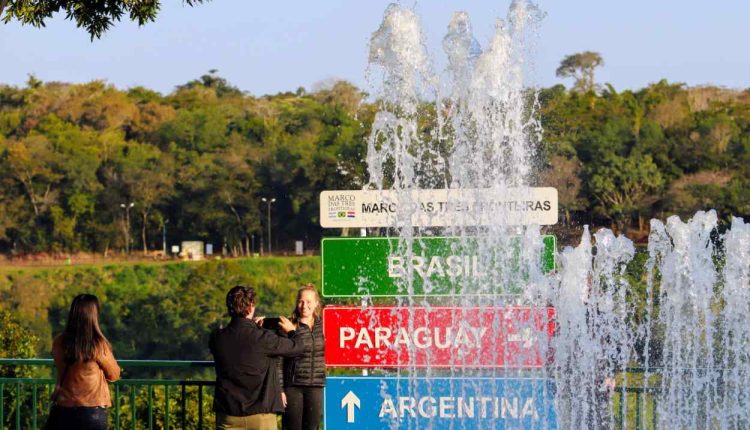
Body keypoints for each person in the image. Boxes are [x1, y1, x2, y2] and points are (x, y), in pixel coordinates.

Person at [210, 285, 304, 430]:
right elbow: (297, 347)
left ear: (230, 308)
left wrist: (254, 328)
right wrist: (292, 331)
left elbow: (240, 345)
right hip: (261, 415)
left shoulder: (217, 337)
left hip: (228, 412)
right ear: (251, 308)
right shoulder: (263, 338)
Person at [47, 294, 121, 430]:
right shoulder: (97, 345)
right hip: (92, 412)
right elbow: (114, 375)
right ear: (93, 315)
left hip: (64, 410)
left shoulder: (59, 342)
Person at [281, 284, 326, 430]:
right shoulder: (288, 325)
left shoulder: (324, 325)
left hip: (316, 385)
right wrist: (280, 389)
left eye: (308, 301)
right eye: (301, 301)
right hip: (293, 387)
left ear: (316, 304)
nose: (304, 305)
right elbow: (278, 361)